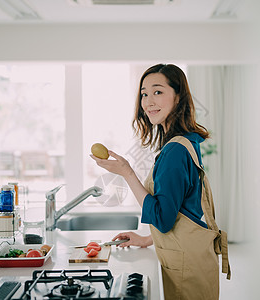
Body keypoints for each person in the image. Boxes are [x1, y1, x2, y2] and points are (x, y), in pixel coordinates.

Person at [90, 64, 230, 300]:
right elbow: (181, 208)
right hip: (193, 260)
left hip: (187, 267)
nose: (148, 101)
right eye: (144, 94)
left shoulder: (174, 150)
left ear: (178, 97)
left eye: (157, 92)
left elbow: (164, 220)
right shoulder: (186, 141)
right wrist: (146, 239)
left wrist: (127, 172)